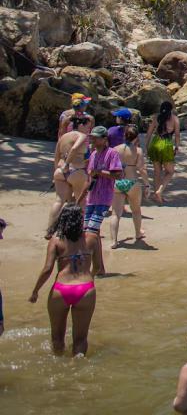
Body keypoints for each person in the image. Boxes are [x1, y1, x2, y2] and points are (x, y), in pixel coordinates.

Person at [30, 204, 96, 355]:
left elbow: (47, 269)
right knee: (81, 339)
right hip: (85, 289)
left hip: (61, 289)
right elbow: (98, 267)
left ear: (62, 219)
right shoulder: (92, 238)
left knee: (57, 337)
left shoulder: (56, 240)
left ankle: (58, 367)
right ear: (81, 220)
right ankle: (77, 371)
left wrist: (35, 291)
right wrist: (89, 279)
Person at [83, 126, 122, 275]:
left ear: (105, 139)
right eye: (92, 136)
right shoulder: (93, 154)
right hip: (91, 198)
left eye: (96, 137)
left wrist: (100, 172)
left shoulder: (112, 154)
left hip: (104, 197)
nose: (93, 139)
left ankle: (91, 268)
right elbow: (90, 177)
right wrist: (81, 196)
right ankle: (99, 268)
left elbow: (118, 175)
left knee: (91, 233)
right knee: (89, 232)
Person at [49, 115, 91, 231]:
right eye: (87, 127)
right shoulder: (81, 136)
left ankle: (50, 229)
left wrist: (57, 171)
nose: (88, 130)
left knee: (59, 201)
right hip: (76, 170)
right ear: (81, 125)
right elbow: (74, 149)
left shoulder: (63, 137)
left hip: (60, 171)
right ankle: (79, 229)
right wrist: (67, 164)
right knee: (81, 201)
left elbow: (56, 155)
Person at [110, 125, 147, 246]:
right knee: (136, 210)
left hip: (118, 182)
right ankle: (138, 233)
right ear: (136, 138)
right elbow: (141, 169)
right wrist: (147, 184)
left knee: (116, 213)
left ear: (124, 135)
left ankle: (114, 241)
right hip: (132, 182)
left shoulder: (115, 149)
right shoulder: (138, 151)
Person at [144, 100, 181, 204]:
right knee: (170, 171)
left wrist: (146, 147)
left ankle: (157, 195)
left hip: (155, 143)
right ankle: (160, 191)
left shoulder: (156, 118)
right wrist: (177, 146)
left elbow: (148, 134)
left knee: (157, 172)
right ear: (171, 109)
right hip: (166, 144)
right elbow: (177, 135)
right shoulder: (174, 119)